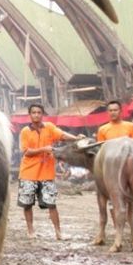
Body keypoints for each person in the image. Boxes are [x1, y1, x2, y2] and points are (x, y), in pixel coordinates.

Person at [17, 102, 78, 241]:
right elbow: (26, 151)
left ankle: (58, 232)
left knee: (51, 204)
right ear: (30, 115)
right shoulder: (25, 131)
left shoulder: (49, 127)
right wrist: (44, 149)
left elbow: (62, 135)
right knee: (27, 204)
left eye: (39, 112)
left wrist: (76, 138)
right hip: (28, 173)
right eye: (34, 112)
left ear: (42, 114)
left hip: (46, 173)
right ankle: (30, 230)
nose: (36, 115)